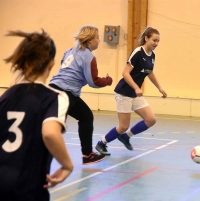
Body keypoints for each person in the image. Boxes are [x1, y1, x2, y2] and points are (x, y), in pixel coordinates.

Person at [0, 30, 73, 201]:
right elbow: (49, 133)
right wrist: (67, 165)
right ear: (51, 64)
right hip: (29, 186)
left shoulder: (6, 96)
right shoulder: (54, 97)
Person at [96, 27, 167, 155]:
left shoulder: (152, 55)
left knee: (151, 120)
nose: (156, 43)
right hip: (124, 93)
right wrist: (136, 87)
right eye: (154, 40)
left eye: (158, 41)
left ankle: (125, 137)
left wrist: (159, 88)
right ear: (146, 38)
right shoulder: (138, 52)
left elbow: (149, 72)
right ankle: (101, 143)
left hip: (134, 94)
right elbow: (125, 73)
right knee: (123, 126)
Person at [49, 25, 112, 164]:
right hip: (64, 94)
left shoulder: (69, 51)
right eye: (97, 37)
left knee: (86, 116)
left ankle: (88, 154)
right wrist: (108, 81)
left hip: (56, 89)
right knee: (54, 129)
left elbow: (64, 70)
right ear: (90, 41)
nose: (99, 40)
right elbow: (93, 82)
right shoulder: (89, 56)